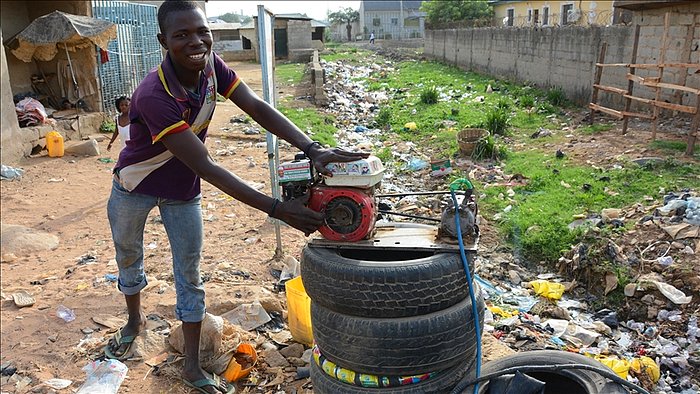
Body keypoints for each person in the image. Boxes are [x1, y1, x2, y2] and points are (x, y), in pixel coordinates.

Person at [103, 1, 368, 393]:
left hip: (181, 192)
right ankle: (134, 321)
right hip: (134, 187)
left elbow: (256, 106)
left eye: (201, 31)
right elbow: (207, 166)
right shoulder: (153, 95)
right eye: (182, 35)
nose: (196, 42)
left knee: (189, 276)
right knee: (128, 256)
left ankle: (192, 367)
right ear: (163, 41)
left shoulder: (211, 67)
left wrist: (312, 147)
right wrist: (278, 209)